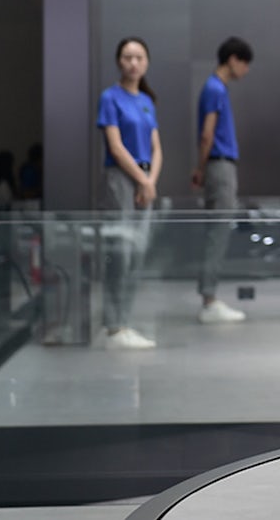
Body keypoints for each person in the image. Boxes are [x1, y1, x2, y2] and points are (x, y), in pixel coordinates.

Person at [96, 37, 161, 350]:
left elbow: (156, 145)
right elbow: (116, 146)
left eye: (139, 57)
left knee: (137, 253)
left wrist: (150, 180)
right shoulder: (110, 97)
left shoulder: (146, 101)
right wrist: (141, 179)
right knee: (120, 253)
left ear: (146, 62)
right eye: (127, 57)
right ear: (119, 61)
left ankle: (126, 320)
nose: (133, 62)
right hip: (121, 178)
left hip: (144, 180)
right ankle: (114, 325)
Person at [191, 37, 252, 324]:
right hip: (220, 165)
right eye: (245, 63)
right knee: (218, 231)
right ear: (233, 59)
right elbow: (208, 133)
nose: (246, 70)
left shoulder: (214, 87)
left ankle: (208, 294)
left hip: (218, 165)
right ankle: (209, 298)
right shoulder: (215, 88)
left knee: (216, 230)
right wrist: (201, 168)